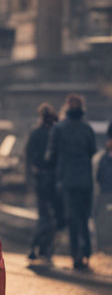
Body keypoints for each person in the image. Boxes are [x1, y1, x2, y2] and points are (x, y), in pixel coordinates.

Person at [46, 93, 97, 271]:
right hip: (85, 180)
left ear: (66, 108)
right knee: (84, 217)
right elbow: (92, 151)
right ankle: (87, 253)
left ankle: (76, 255)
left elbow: (51, 156)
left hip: (67, 180)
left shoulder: (58, 129)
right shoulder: (87, 128)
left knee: (72, 218)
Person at [25, 103, 61, 263]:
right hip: (55, 179)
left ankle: (35, 247)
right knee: (54, 217)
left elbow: (28, 156)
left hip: (40, 178)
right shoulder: (57, 132)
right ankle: (44, 250)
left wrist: (29, 179)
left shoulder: (36, 133)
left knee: (43, 216)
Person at [94, 133, 112, 251]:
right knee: (102, 219)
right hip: (105, 192)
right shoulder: (103, 157)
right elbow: (99, 175)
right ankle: (103, 244)